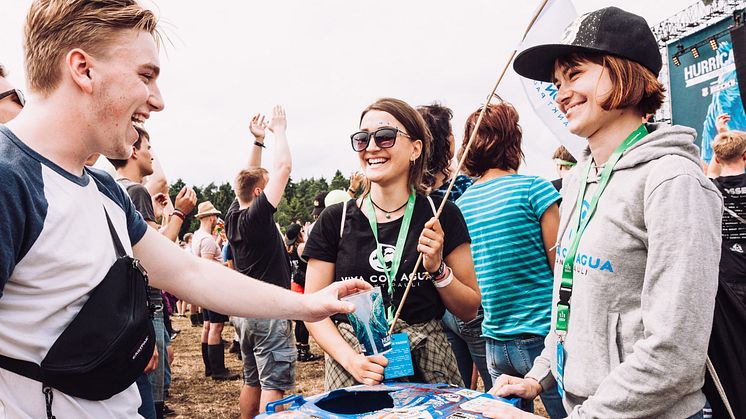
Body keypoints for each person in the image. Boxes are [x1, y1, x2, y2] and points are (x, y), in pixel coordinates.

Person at [0, 1, 368, 417]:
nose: (157, 101)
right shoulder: (10, 178)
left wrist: (309, 304)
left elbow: (189, 273)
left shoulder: (104, 189)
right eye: (145, 76)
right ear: (83, 69)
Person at [483, 7, 722, 419]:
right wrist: (539, 377)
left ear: (625, 72)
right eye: (557, 82)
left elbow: (676, 354)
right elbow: (572, 307)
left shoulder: (673, 180)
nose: (560, 93)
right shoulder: (578, 179)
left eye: (575, 74)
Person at [303, 97, 481, 390]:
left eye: (385, 137)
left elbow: (470, 309)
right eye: (362, 139)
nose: (371, 147)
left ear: (415, 148)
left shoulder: (441, 213)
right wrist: (351, 360)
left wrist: (438, 270)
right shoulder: (335, 219)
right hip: (354, 363)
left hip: (428, 364)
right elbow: (313, 310)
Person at [455, 101, 564, 417]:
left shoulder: (460, 206)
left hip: (495, 340)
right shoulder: (535, 190)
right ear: (513, 140)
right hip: (542, 337)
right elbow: (562, 269)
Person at [108, 125, 198, 418]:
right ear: (133, 150)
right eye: (148, 148)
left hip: (124, 304)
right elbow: (156, 252)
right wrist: (180, 214)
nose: (151, 154)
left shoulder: (113, 188)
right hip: (145, 302)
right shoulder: (135, 190)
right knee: (150, 387)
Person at [225, 109, 297, 419]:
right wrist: (279, 130)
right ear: (259, 193)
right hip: (269, 311)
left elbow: (246, 176)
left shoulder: (233, 217)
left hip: (245, 313)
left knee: (252, 379)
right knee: (273, 383)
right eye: (265, 188)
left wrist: (257, 141)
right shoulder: (256, 217)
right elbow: (283, 167)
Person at [417, 102, 488, 391]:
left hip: (433, 305)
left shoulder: (412, 196)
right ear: (448, 141)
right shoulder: (465, 190)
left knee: (452, 391)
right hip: (470, 295)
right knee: (493, 385)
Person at [191, 201, 240, 381]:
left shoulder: (199, 236)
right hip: (213, 288)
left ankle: (209, 368)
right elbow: (208, 266)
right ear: (211, 217)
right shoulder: (207, 240)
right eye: (216, 217)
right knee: (216, 327)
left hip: (203, 288)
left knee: (207, 326)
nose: (217, 219)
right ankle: (218, 370)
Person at [711, 130, 746, 303]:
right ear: (744, 156)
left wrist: (721, 137)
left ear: (717, 159)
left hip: (727, 273)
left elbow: (711, 173)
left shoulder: (710, 189)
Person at [285, 223, 323, 362]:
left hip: (294, 284)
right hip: (302, 285)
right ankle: (304, 350)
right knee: (304, 321)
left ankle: (300, 348)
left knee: (299, 321)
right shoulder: (301, 247)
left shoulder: (289, 249)